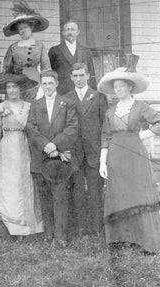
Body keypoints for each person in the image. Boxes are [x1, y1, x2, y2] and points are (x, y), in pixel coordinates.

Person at [98, 56, 160, 253]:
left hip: (135, 156)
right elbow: (105, 135)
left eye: (121, 86)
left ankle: (148, 242)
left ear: (129, 87)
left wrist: (142, 135)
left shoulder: (140, 106)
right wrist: (103, 162)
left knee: (139, 194)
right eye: (115, 87)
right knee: (120, 195)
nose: (118, 90)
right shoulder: (111, 111)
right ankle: (123, 239)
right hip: (115, 157)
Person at [26, 71, 78, 245]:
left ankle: (61, 236)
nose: (47, 86)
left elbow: (72, 129)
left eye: (50, 83)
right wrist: (46, 146)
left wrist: (55, 145)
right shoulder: (35, 104)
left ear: (56, 83)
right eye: (44, 83)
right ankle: (48, 233)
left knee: (60, 197)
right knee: (45, 197)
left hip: (60, 158)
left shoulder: (67, 103)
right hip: (42, 157)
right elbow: (31, 129)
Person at [0, 73, 44, 237]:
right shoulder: (0, 107)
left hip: (24, 145)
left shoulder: (28, 106)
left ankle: (27, 226)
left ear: (20, 89)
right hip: (7, 146)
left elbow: (33, 129)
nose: (12, 90)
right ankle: (13, 224)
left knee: (23, 182)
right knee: (9, 183)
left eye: (15, 87)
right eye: (9, 87)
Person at [64, 63, 107, 236]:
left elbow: (105, 125)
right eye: (75, 76)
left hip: (94, 152)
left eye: (82, 75)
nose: (79, 79)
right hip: (75, 152)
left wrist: (104, 150)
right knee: (78, 191)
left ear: (88, 76)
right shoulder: (66, 98)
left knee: (96, 191)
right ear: (71, 78)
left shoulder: (98, 97)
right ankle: (81, 228)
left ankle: (96, 228)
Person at [3, 0, 51, 100]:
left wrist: (44, 85)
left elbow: (46, 68)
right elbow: (7, 70)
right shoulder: (13, 47)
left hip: (35, 82)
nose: (23, 30)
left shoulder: (40, 46)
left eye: (25, 27)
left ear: (31, 28)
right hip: (18, 84)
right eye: (20, 28)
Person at [48, 20, 97, 96]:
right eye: (67, 30)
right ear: (63, 33)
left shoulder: (86, 51)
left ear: (78, 32)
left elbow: (91, 74)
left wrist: (94, 94)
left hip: (82, 93)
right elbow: (50, 74)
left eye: (73, 29)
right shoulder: (54, 50)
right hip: (62, 93)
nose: (70, 32)